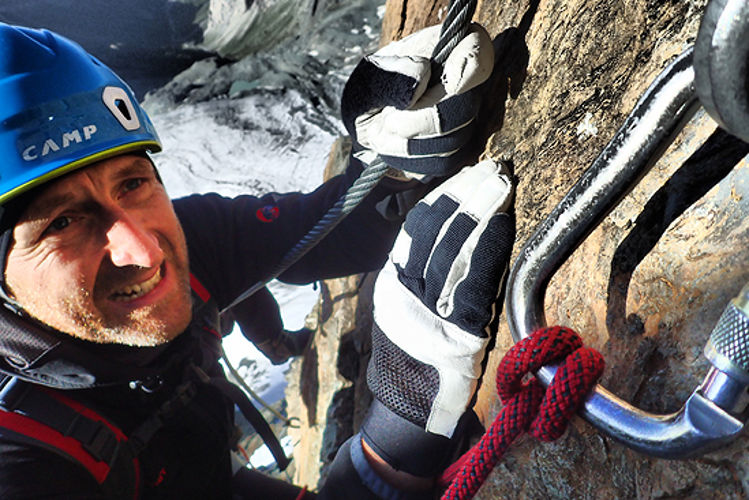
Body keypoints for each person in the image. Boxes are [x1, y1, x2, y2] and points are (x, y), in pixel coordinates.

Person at [0, 21, 514, 499]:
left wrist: (394, 158)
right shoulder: (21, 465)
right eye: (62, 224)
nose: (144, 250)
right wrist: (402, 428)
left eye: (133, 183)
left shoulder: (188, 240)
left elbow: (325, 227)